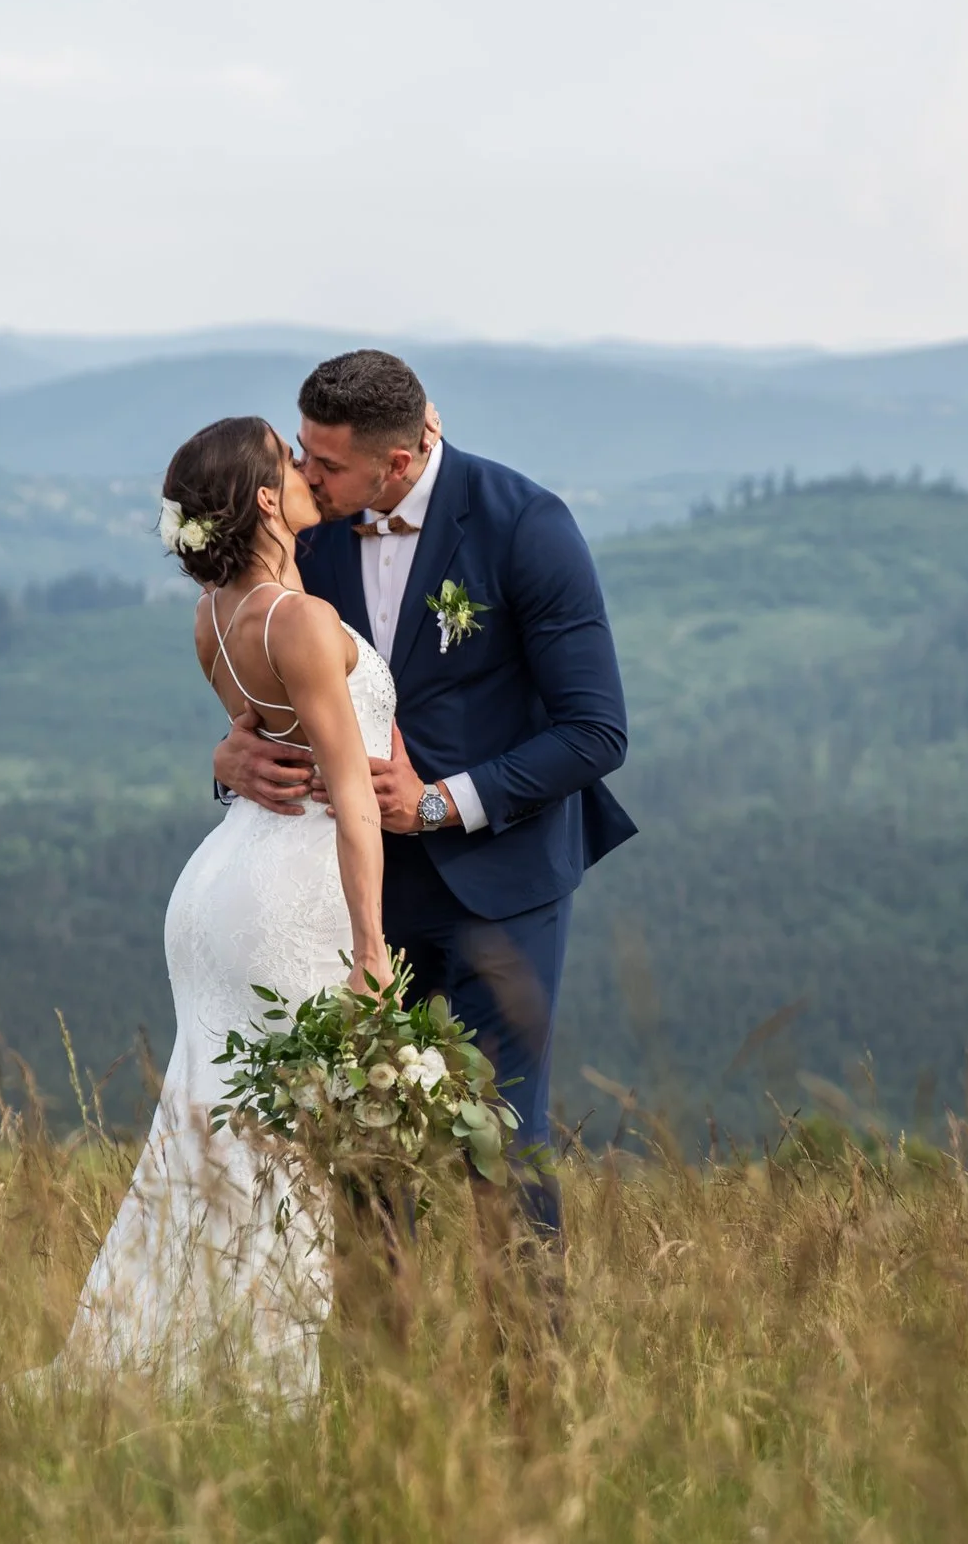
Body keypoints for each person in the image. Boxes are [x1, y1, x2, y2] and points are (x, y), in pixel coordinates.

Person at [214, 349, 635, 1246]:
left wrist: (440, 802)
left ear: (396, 462)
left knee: (502, 1148)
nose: (304, 476)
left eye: (326, 465)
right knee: (363, 1163)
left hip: (502, 887)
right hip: (348, 897)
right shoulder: (307, 534)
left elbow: (597, 732)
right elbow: (268, 692)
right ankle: (385, 1376)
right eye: (302, 452)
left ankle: (534, 1380)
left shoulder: (527, 526)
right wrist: (230, 761)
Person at [55, 414, 394, 1399]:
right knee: (278, 1145)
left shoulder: (214, 618)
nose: (302, 469)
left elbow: (253, 749)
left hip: (218, 885)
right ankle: (253, 1385)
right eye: (289, 461)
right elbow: (344, 800)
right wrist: (371, 946)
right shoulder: (300, 621)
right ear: (260, 498)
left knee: (208, 1124)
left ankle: (160, 1352)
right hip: (290, 892)